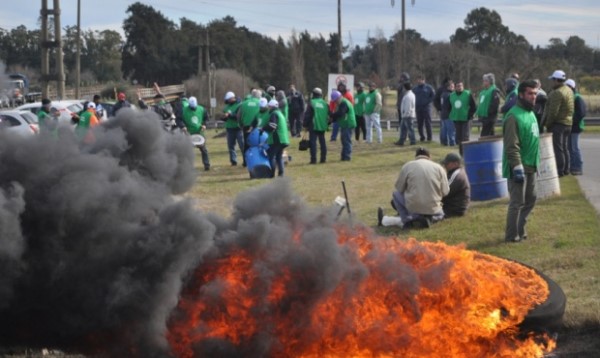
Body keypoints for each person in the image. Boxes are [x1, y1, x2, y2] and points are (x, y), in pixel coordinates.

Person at [502, 79, 541, 243]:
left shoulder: (531, 113)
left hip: (532, 165)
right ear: (521, 95)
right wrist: (517, 167)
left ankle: (520, 229)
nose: (533, 97)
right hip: (519, 166)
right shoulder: (513, 116)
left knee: (531, 199)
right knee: (517, 202)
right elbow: (512, 145)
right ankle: (511, 236)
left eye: (535, 93)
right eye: (530, 94)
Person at [378, 147, 449, 228]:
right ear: (429, 157)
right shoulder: (439, 168)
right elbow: (445, 192)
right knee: (440, 215)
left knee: (395, 194)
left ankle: (407, 220)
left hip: (414, 208)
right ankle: (430, 219)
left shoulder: (407, 166)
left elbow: (399, 189)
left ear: (416, 156)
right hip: (433, 209)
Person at [543, 70, 574, 177]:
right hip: (568, 123)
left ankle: (560, 170)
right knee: (565, 147)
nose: (552, 82)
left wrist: (547, 124)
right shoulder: (568, 90)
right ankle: (566, 169)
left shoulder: (557, 92)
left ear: (556, 80)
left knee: (558, 148)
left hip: (559, 124)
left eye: (552, 79)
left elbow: (553, 112)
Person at [179, 96, 211, 171]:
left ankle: (207, 165)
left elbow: (206, 118)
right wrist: (183, 126)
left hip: (200, 133)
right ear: (189, 104)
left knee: (204, 150)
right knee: (189, 151)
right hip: (189, 133)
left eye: (194, 107)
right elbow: (178, 119)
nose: (193, 108)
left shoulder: (202, 109)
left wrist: (204, 125)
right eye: (191, 107)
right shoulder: (183, 110)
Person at [262, 99, 290, 177]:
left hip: (277, 139)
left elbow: (272, 126)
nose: (268, 108)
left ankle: (271, 174)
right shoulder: (280, 113)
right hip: (283, 139)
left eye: (269, 106)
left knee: (271, 156)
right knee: (279, 157)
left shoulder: (274, 114)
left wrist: (263, 128)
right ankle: (281, 173)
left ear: (271, 106)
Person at [449, 81, 477, 155]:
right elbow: (449, 106)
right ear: (455, 87)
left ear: (463, 86)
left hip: (466, 119)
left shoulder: (468, 94)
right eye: (458, 86)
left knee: (465, 137)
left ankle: (467, 153)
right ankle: (461, 154)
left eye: (461, 86)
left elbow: (474, 106)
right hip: (457, 119)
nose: (459, 87)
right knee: (458, 138)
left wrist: (469, 115)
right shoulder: (452, 95)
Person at [565, 79, 586, 176]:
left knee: (574, 148)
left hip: (576, 127)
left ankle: (578, 167)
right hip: (570, 126)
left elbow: (581, 113)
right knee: (569, 147)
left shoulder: (577, 98)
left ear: (571, 87)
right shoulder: (570, 97)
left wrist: (572, 120)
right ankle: (572, 167)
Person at [303, 87, 329, 164]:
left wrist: (305, 124)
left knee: (313, 143)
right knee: (322, 142)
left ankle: (313, 159)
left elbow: (308, 115)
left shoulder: (312, 102)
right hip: (322, 125)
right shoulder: (325, 103)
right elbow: (329, 114)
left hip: (313, 125)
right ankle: (323, 159)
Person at [329, 89, 356, 161]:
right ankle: (344, 156)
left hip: (348, 123)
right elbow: (338, 115)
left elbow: (340, 113)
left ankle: (347, 157)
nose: (335, 102)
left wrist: (331, 115)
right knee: (344, 140)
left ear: (339, 98)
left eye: (335, 101)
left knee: (346, 140)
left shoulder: (344, 103)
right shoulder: (341, 103)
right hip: (345, 124)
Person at [441, 152, 470, 217]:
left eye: (447, 164)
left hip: (454, 209)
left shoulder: (457, 175)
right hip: (453, 207)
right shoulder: (456, 172)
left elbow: (446, 191)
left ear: (456, 163)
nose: (445, 166)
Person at [238, 89, 262, 164]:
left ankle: (245, 161)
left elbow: (238, 115)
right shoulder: (260, 103)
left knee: (247, 144)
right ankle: (257, 160)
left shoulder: (243, 103)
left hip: (246, 126)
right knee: (258, 144)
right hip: (257, 126)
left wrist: (240, 124)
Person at [222, 91, 244, 166]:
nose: (227, 101)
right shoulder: (226, 107)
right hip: (229, 128)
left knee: (242, 145)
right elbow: (224, 117)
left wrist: (230, 115)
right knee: (231, 146)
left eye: (228, 99)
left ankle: (245, 160)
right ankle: (233, 161)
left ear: (232, 98)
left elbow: (237, 116)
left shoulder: (239, 105)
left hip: (238, 128)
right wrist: (224, 117)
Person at [412, 74, 435, 142]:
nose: (419, 81)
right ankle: (422, 136)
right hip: (418, 108)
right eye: (418, 80)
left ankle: (429, 137)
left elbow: (433, 96)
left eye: (420, 80)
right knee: (420, 123)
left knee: (428, 122)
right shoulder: (415, 88)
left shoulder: (429, 88)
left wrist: (428, 101)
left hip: (426, 107)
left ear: (423, 80)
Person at [397, 81, 416, 146]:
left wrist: (405, 114)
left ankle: (413, 141)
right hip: (407, 115)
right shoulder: (410, 94)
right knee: (403, 129)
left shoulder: (408, 96)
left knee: (410, 129)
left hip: (408, 116)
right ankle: (401, 140)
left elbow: (408, 107)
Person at [394, 72, 411, 145]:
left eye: (402, 78)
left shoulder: (406, 86)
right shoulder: (400, 85)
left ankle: (405, 136)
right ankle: (403, 136)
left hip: (404, 106)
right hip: (400, 105)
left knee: (405, 122)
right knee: (401, 122)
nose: (400, 79)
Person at [438, 80, 455, 146]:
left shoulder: (443, 94)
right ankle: (452, 143)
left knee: (444, 130)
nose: (453, 88)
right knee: (451, 130)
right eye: (452, 86)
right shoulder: (450, 95)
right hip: (449, 114)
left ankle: (444, 142)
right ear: (448, 87)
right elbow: (451, 105)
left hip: (443, 114)